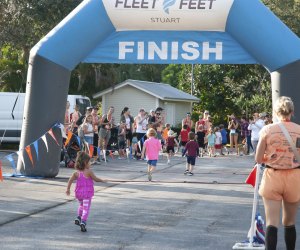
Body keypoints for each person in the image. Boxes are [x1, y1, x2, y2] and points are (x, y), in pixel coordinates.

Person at [256, 96, 300, 250]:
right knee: (289, 222)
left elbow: (258, 158)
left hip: (272, 176)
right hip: (294, 177)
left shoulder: (267, 130)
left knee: (271, 223)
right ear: (292, 112)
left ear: (275, 112)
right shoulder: (299, 130)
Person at [66, 151, 106, 232]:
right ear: (85, 162)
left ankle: (79, 217)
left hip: (79, 193)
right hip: (87, 194)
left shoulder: (76, 173)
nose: (90, 163)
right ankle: (83, 222)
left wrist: (68, 189)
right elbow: (96, 179)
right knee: (86, 208)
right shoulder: (89, 172)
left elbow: (70, 180)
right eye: (89, 161)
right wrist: (103, 180)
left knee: (81, 205)